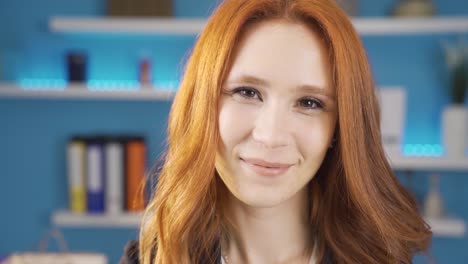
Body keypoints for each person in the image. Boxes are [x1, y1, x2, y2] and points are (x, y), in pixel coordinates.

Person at [123, 0, 432, 263]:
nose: (270, 136)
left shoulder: (379, 258)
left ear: (340, 126)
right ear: (202, 104)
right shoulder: (153, 257)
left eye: (310, 102)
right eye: (246, 92)